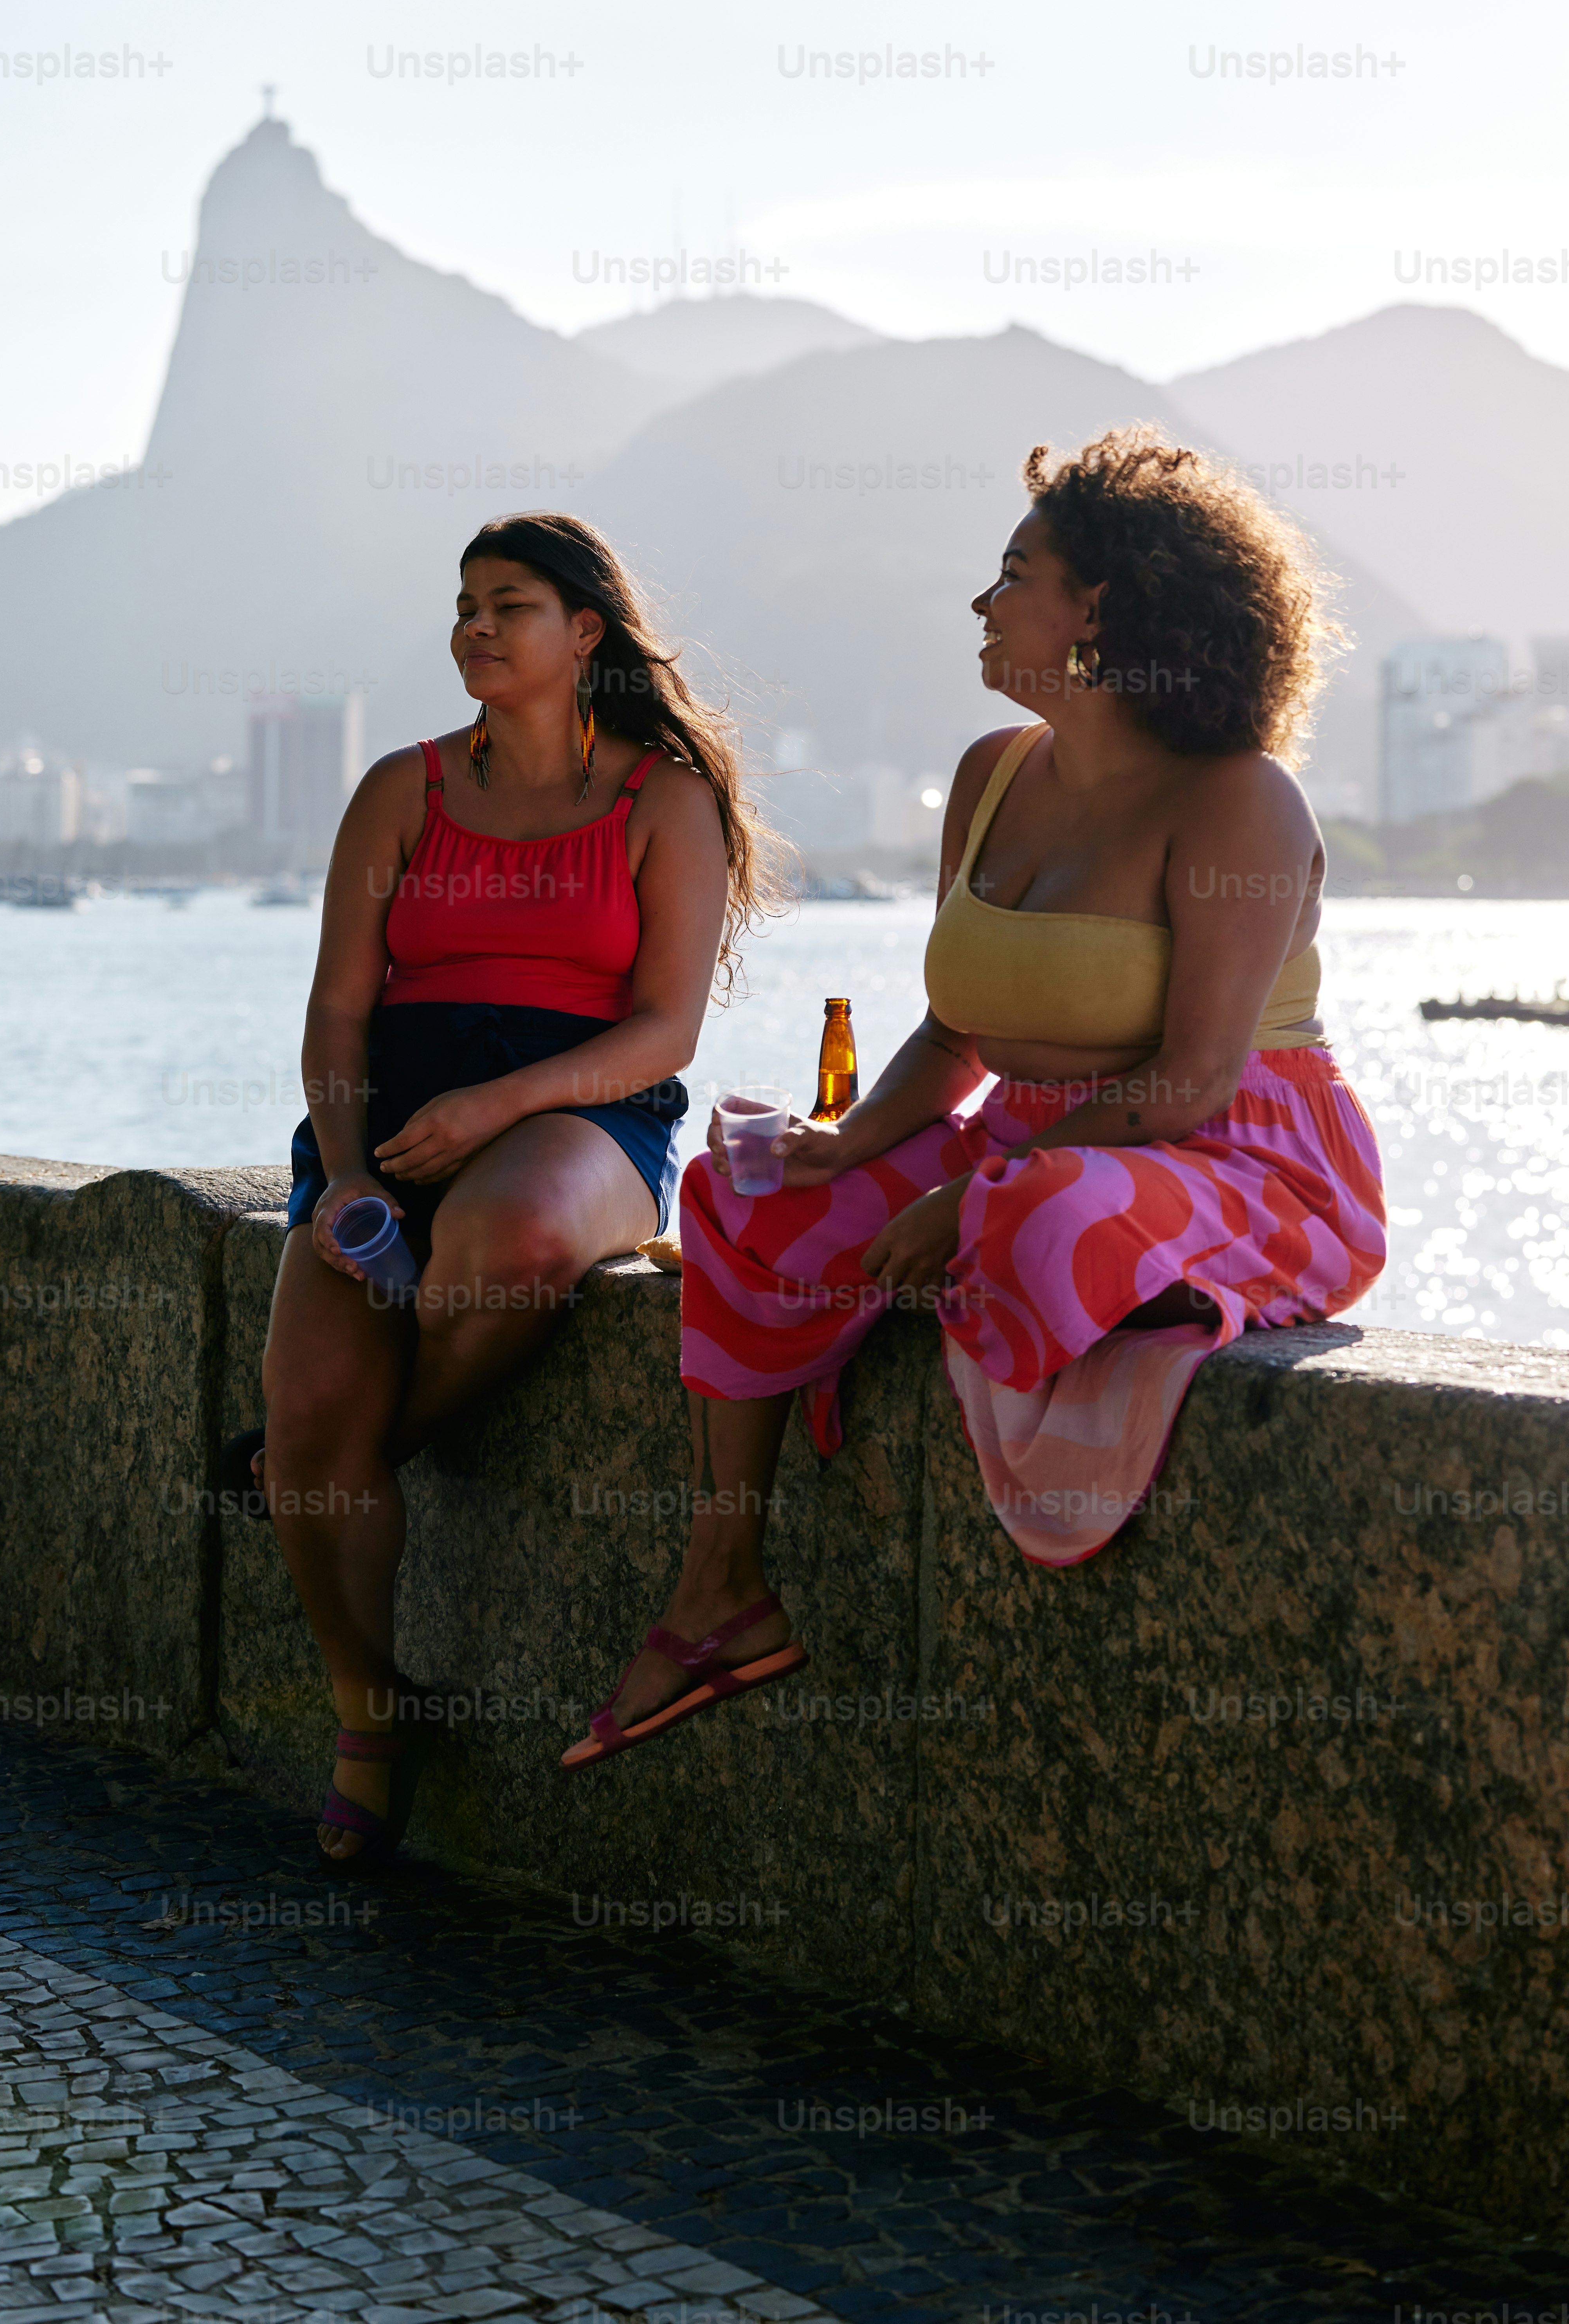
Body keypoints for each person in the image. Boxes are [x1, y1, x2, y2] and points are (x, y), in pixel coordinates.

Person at [562, 428, 1388, 1767]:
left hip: (1228, 1152)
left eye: (1014, 575)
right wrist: (852, 1148)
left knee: (1046, 1215)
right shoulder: (992, 774)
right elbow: (957, 1029)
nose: (983, 604)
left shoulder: (1242, 802)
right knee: (744, 1197)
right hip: (1028, 1140)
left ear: (1103, 608)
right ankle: (722, 1589)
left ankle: (1036, 1269)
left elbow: (1190, 1080)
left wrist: (967, 1197)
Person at [248, 514, 777, 1863]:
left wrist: (503, 1101)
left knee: (509, 1242)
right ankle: (372, 1714)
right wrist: (351, 1171)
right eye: (465, 606)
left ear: (585, 633)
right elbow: (337, 1012)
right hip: (393, 1119)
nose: (475, 627)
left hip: (583, 1104)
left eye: (511, 605)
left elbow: (665, 1031)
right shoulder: (401, 787)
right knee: (309, 1396)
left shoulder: (663, 797)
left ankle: (334, 1463)